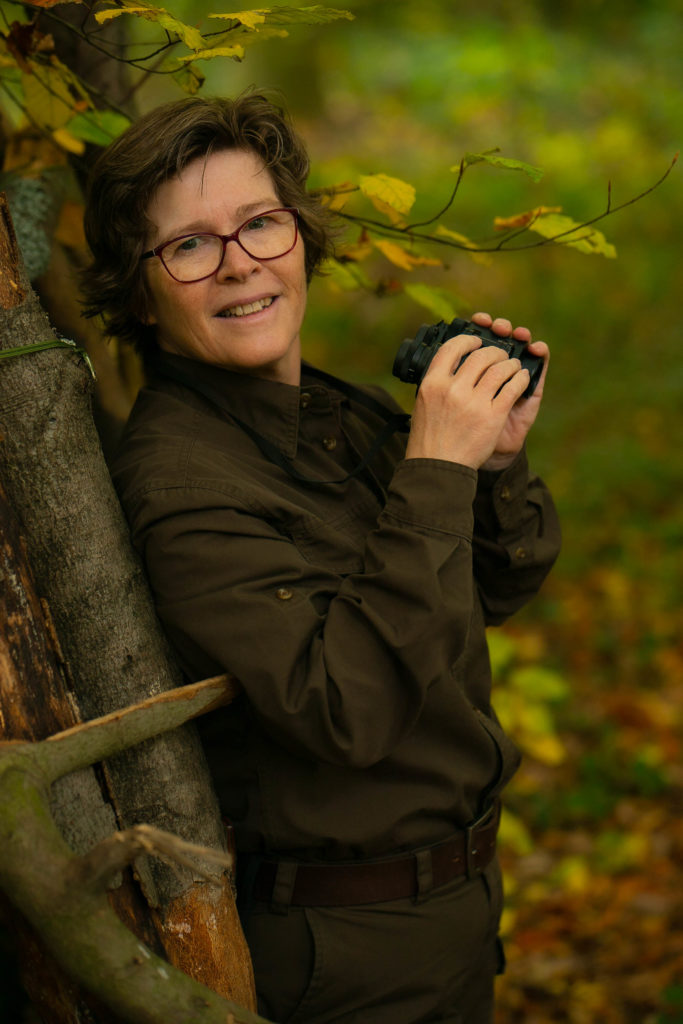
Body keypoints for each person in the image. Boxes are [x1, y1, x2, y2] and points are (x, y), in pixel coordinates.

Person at [82, 92, 561, 1024]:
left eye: (260, 223)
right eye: (189, 244)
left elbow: (498, 584)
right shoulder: (182, 482)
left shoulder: (329, 419)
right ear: (138, 290)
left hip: (453, 915)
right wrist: (433, 464)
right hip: (342, 960)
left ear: (299, 236)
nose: (239, 265)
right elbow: (342, 709)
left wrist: (489, 459)